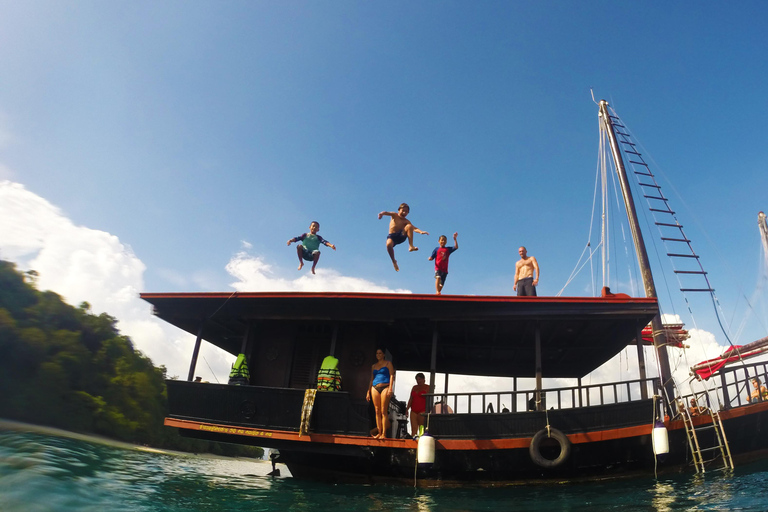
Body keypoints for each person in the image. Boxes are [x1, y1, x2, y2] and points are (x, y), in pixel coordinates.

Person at [378, 203, 429, 271]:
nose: (404, 213)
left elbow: (414, 228)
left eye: (406, 212)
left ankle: (411, 246)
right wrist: (381, 214)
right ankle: (394, 261)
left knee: (409, 226)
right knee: (388, 244)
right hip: (392, 236)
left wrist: (421, 231)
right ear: (399, 210)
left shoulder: (406, 221)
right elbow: (386, 212)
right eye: (403, 210)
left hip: (401, 236)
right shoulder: (394, 215)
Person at [366, 348, 395, 440]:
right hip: (374, 386)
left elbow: (391, 376)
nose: (378, 355)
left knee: (383, 410)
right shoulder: (373, 366)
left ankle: (384, 433)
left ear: (383, 355)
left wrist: (390, 388)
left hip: (385, 386)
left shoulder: (388, 363)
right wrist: (368, 391)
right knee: (377, 410)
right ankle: (379, 432)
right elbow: (371, 378)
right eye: (377, 353)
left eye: (380, 353)